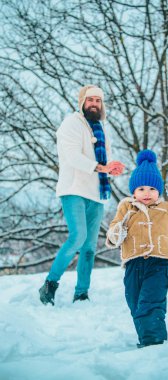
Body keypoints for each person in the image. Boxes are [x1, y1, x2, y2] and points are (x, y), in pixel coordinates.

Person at [106, 149, 168, 348]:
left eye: (152, 188)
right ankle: (148, 337)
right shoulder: (126, 208)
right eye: (141, 189)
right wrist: (117, 232)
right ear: (133, 191)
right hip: (133, 264)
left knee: (150, 302)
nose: (147, 193)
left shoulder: (165, 209)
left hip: (159, 262)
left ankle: (153, 342)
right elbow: (113, 230)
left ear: (158, 191)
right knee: (135, 304)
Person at [39, 84, 125, 305]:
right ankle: (50, 284)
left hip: (95, 193)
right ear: (82, 103)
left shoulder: (103, 129)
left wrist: (112, 168)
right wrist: (102, 167)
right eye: (90, 100)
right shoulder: (72, 123)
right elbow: (72, 157)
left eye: (98, 100)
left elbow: (106, 161)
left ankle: (81, 292)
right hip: (73, 189)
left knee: (89, 248)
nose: (94, 104)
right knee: (77, 237)